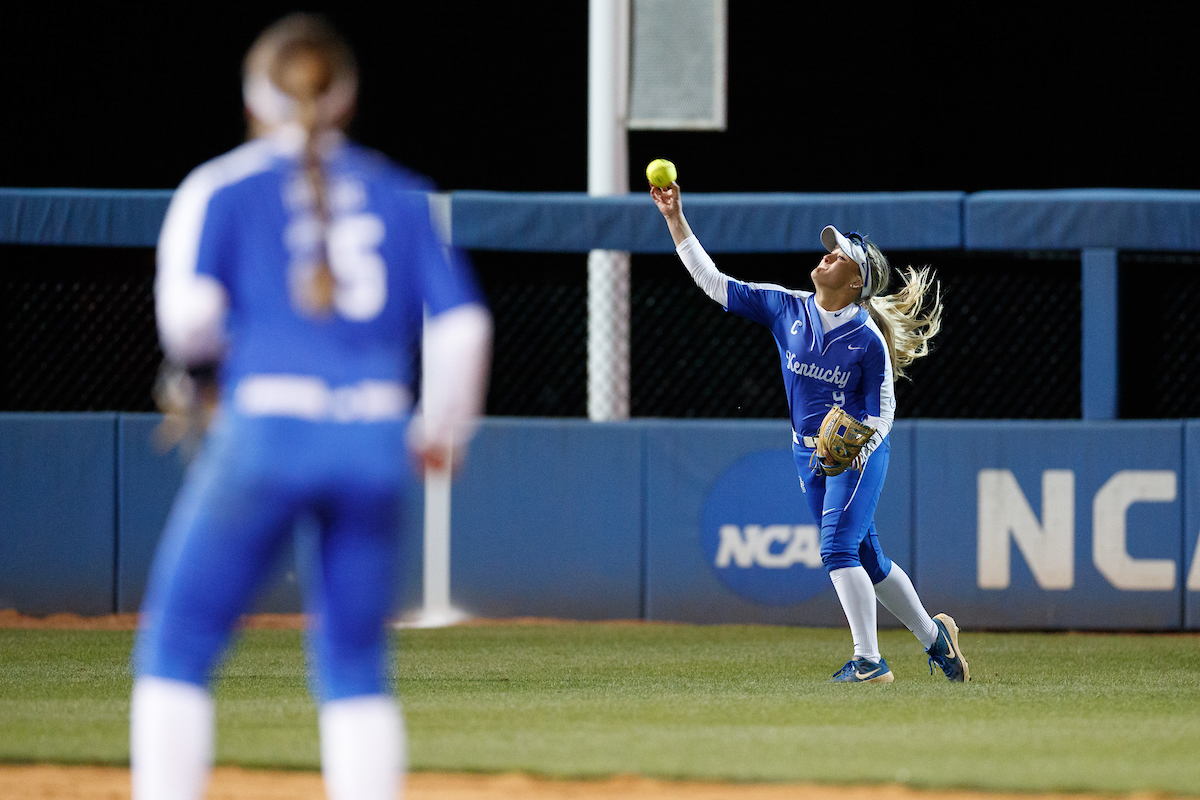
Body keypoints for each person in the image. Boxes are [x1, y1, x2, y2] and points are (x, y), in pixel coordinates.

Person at [131, 14, 492, 800]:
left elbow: (187, 322)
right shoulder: (402, 194)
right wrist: (443, 430)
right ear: (348, 99)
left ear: (255, 97)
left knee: (178, 648)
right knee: (355, 663)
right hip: (371, 438)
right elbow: (463, 325)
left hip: (265, 431)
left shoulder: (222, 186)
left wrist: (226, 354)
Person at [651, 179, 967, 684]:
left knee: (836, 550)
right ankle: (937, 640)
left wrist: (857, 445)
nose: (825, 257)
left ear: (855, 280)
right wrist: (674, 217)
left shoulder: (867, 341)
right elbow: (714, 282)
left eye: (837, 256)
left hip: (858, 454)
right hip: (807, 454)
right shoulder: (786, 307)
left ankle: (869, 662)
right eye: (828, 251)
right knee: (868, 558)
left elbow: (883, 411)